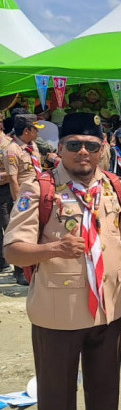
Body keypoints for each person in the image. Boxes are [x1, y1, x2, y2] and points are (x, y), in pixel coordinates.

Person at [4, 112, 121, 410]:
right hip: (57, 314)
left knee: (105, 395)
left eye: (91, 145)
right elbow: (13, 251)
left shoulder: (116, 187)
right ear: (60, 149)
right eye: (74, 144)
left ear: (103, 148)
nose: (83, 152)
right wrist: (53, 248)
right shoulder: (39, 189)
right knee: (57, 400)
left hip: (108, 310)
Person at [3, 113, 44, 285]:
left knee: (37, 231)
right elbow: (13, 179)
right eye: (35, 130)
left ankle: (32, 266)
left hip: (38, 192)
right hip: (23, 197)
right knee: (21, 233)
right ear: (27, 130)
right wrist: (19, 205)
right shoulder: (12, 151)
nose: (37, 133)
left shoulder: (32, 145)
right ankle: (19, 271)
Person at [0, 118, 13, 272]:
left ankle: (11, 260)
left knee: (8, 223)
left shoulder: (9, 144)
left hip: (6, 189)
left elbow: (14, 171)